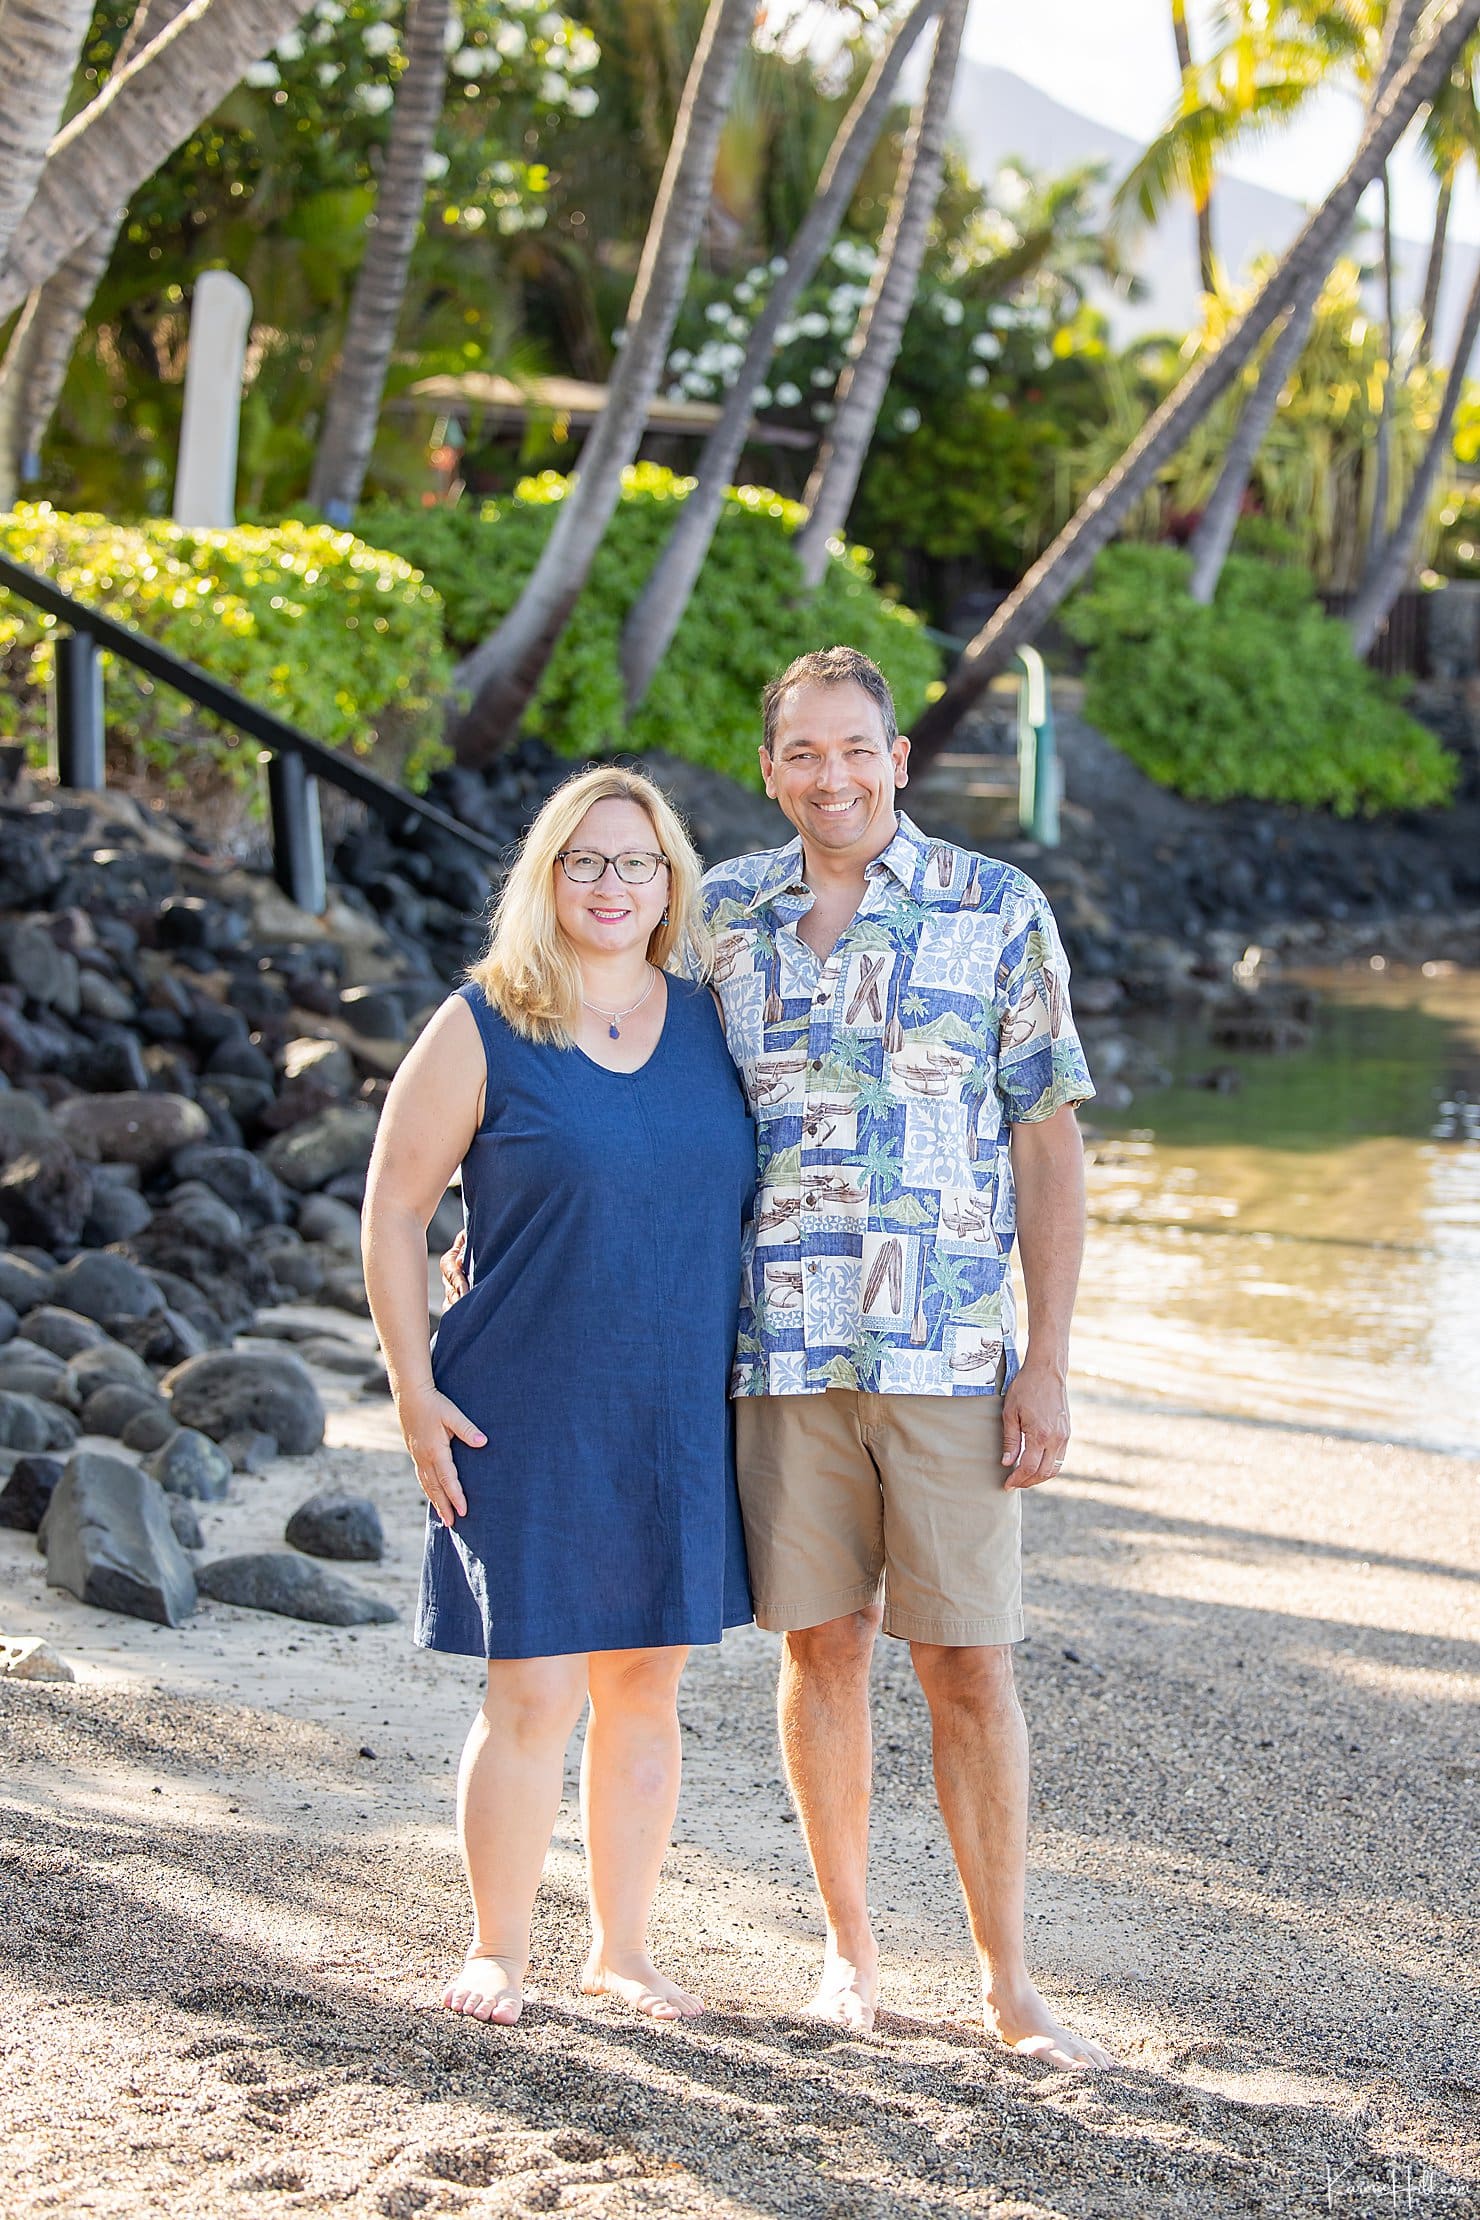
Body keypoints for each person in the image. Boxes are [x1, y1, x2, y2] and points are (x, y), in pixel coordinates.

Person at [698, 644, 1110, 2069]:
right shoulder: (719, 917)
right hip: (781, 1350)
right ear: (771, 771)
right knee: (822, 1651)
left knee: (970, 1666)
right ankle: (849, 1955)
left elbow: (1048, 1148)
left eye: (855, 749)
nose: (834, 777)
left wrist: (1046, 1362)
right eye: (804, 752)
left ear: (898, 760)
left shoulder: (996, 909)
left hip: (949, 1355)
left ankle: (1009, 1983)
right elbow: (626, 1086)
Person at [363, 764, 754, 2028]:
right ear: (545, 877)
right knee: (531, 1690)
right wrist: (412, 1390)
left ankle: (622, 1952)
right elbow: (395, 1209)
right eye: (583, 861)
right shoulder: (484, 1021)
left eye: (636, 862)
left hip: (677, 1411)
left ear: (670, 883)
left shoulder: (717, 1023)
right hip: (521, 1408)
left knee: (644, 1686)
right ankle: (498, 1950)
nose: (610, 884)